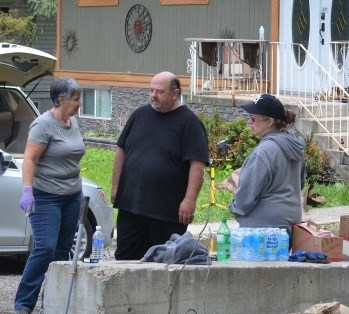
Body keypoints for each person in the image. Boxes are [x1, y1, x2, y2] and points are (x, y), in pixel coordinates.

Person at [111, 72, 209, 260]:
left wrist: (189, 200)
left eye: (160, 92)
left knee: (165, 261)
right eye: (151, 90)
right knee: (125, 260)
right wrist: (116, 186)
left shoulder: (189, 123)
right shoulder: (139, 115)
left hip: (166, 210)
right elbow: (121, 151)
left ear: (175, 94)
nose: (153, 95)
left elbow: (197, 164)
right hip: (131, 205)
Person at [13, 78, 85, 314]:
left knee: (62, 252)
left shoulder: (72, 122)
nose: (79, 104)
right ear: (62, 100)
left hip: (71, 195)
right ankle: (23, 305)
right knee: (45, 248)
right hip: (46, 196)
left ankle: (51, 303)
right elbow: (30, 159)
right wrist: (27, 190)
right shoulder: (42, 125)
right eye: (75, 99)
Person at [229, 94, 305, 234]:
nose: (249, 123)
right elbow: (300, 183)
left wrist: (234, 208)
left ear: (269, 121)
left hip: (262, 229)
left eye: (253, 118)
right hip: (290, 223)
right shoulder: (294, 146)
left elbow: (246, 196)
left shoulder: (264, 152)